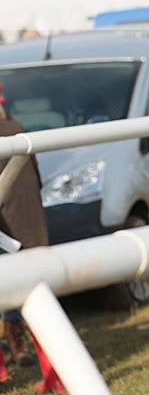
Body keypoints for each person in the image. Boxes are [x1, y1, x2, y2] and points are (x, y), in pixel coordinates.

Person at [0, 97, 64, 393]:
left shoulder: (12, 128)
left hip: (13, 229)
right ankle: (55, 376)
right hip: (27, 226)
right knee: (40, 300)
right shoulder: (16, 126)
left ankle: (54, 376)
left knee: (35, 300)